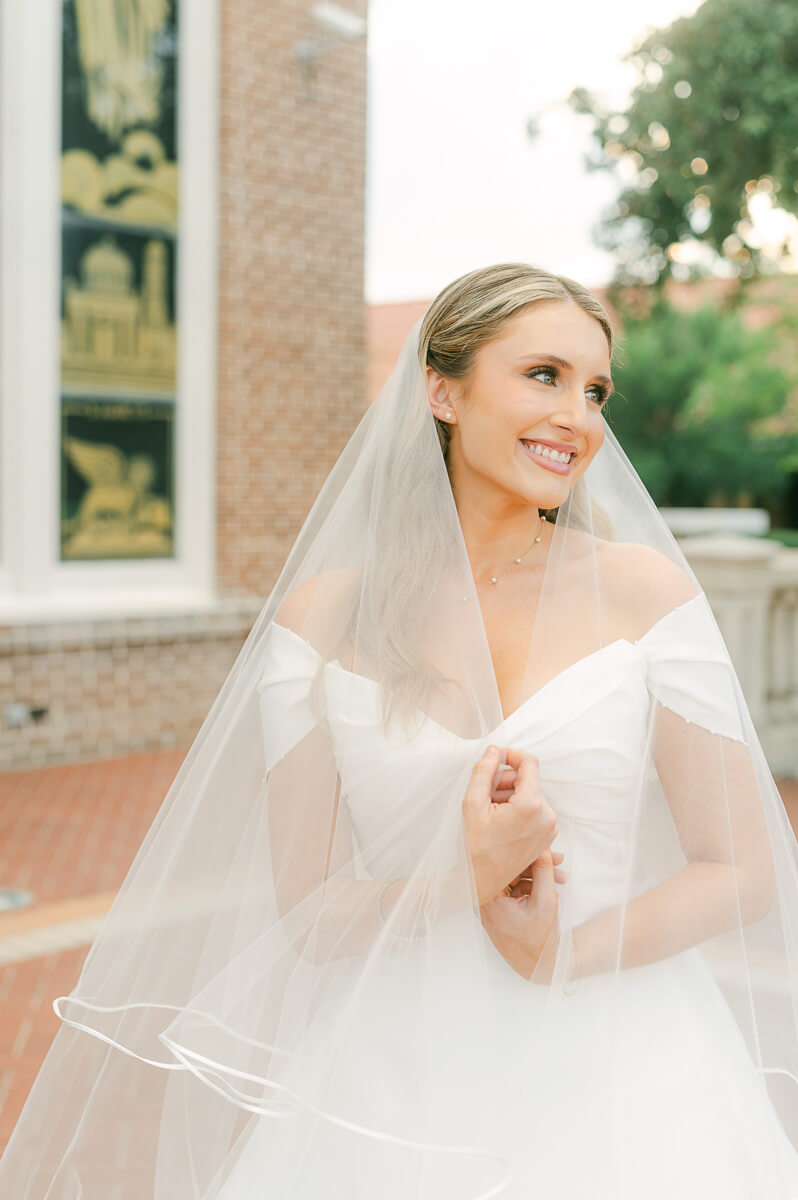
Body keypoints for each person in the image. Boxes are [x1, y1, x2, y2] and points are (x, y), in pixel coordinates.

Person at [2, 263, 798, 1198]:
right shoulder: (320, 619)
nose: (579, 416)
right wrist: (467, 878)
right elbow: (307, 913)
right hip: (388, 1082)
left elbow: (741, 870)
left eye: (594, 390)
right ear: (442, 390)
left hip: (629, 1068)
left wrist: (559, 956)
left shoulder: (644, 592)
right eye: (544, 375)